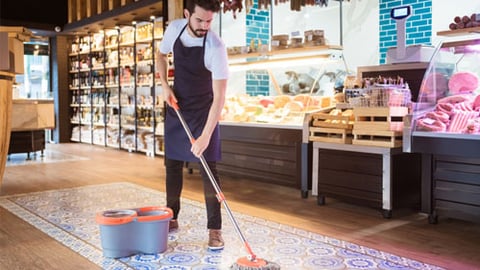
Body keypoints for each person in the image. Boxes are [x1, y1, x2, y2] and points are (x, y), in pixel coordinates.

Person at [156, 0, 229, 250]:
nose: (205, 26)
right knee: (172, 166)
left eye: (209, 21)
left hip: (204, 112)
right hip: (177, 106)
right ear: (187, 14)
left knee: (209, 170)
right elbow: (160, 54)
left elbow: (219, 97)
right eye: (200, 20)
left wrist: (206, 136)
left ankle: (215, 229)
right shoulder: (174, 29)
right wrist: (165, 85)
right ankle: (171, 216)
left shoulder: (216, 46)